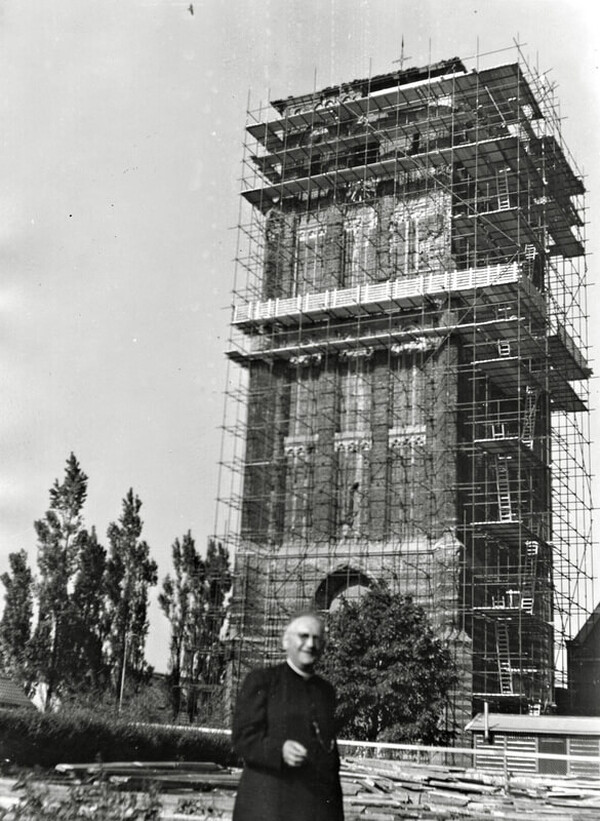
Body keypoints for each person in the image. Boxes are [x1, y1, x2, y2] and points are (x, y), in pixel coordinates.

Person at [231, 611, 344, 821]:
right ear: (286, 641)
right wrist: (279, 750)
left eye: (317, 638)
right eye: (303, 636)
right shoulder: (262, 681)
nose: (310, 644)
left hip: (312, 809)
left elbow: (329, 756)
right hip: (268, 807)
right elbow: (242, 739)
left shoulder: (326, 691)